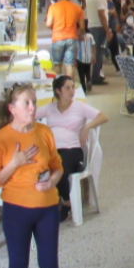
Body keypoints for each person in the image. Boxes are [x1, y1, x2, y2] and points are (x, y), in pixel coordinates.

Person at [0, 84, 63, 268]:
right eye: (26, 103)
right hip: (16, 210)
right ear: (12, 109)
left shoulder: (44, 132)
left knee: (50, 265)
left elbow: (58, 167)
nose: (32, 107)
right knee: (18, 265)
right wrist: (14, 163)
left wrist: (51, 182)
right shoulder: (0, 139)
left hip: (48, 208)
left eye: (34, 102)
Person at [35, 76, 108, 222]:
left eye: (72, 87)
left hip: (72, 149)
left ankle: (67, 202)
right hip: (52, 149)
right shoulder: (50, 108)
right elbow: (29, 116)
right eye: (67, 88)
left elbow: (103, 116)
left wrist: (87, 127)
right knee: (37, 166)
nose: (71, 91)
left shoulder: (79, 107)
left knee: (59, 168)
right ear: (58, 91)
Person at [46, 0, 85, 78]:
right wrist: (80, 34)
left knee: (57, 64)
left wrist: (53, 28)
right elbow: (82, 26)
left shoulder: (53, 7)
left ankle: (58, 84)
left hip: (57, 38)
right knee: (69, 65)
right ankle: (69, 84)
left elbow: (48, 24)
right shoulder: (77, 8)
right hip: (71, 38)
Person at [85, 0, 112, 86]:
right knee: (99, 52)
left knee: (94, 51)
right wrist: (107, 30)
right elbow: (101, 14)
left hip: (92, 24)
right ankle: (95, 76)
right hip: (100, 26)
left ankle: (94, 75)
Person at [76, 24, 95, 94]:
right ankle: (88, 80)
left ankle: (83, 87)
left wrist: (74, 59)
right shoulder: (90, 36)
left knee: (81, 74)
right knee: (87, 71)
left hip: (79, 58)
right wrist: (94, 56)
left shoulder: (75, 38)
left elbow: (75, 49)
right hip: (88, 58)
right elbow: (93, 46)